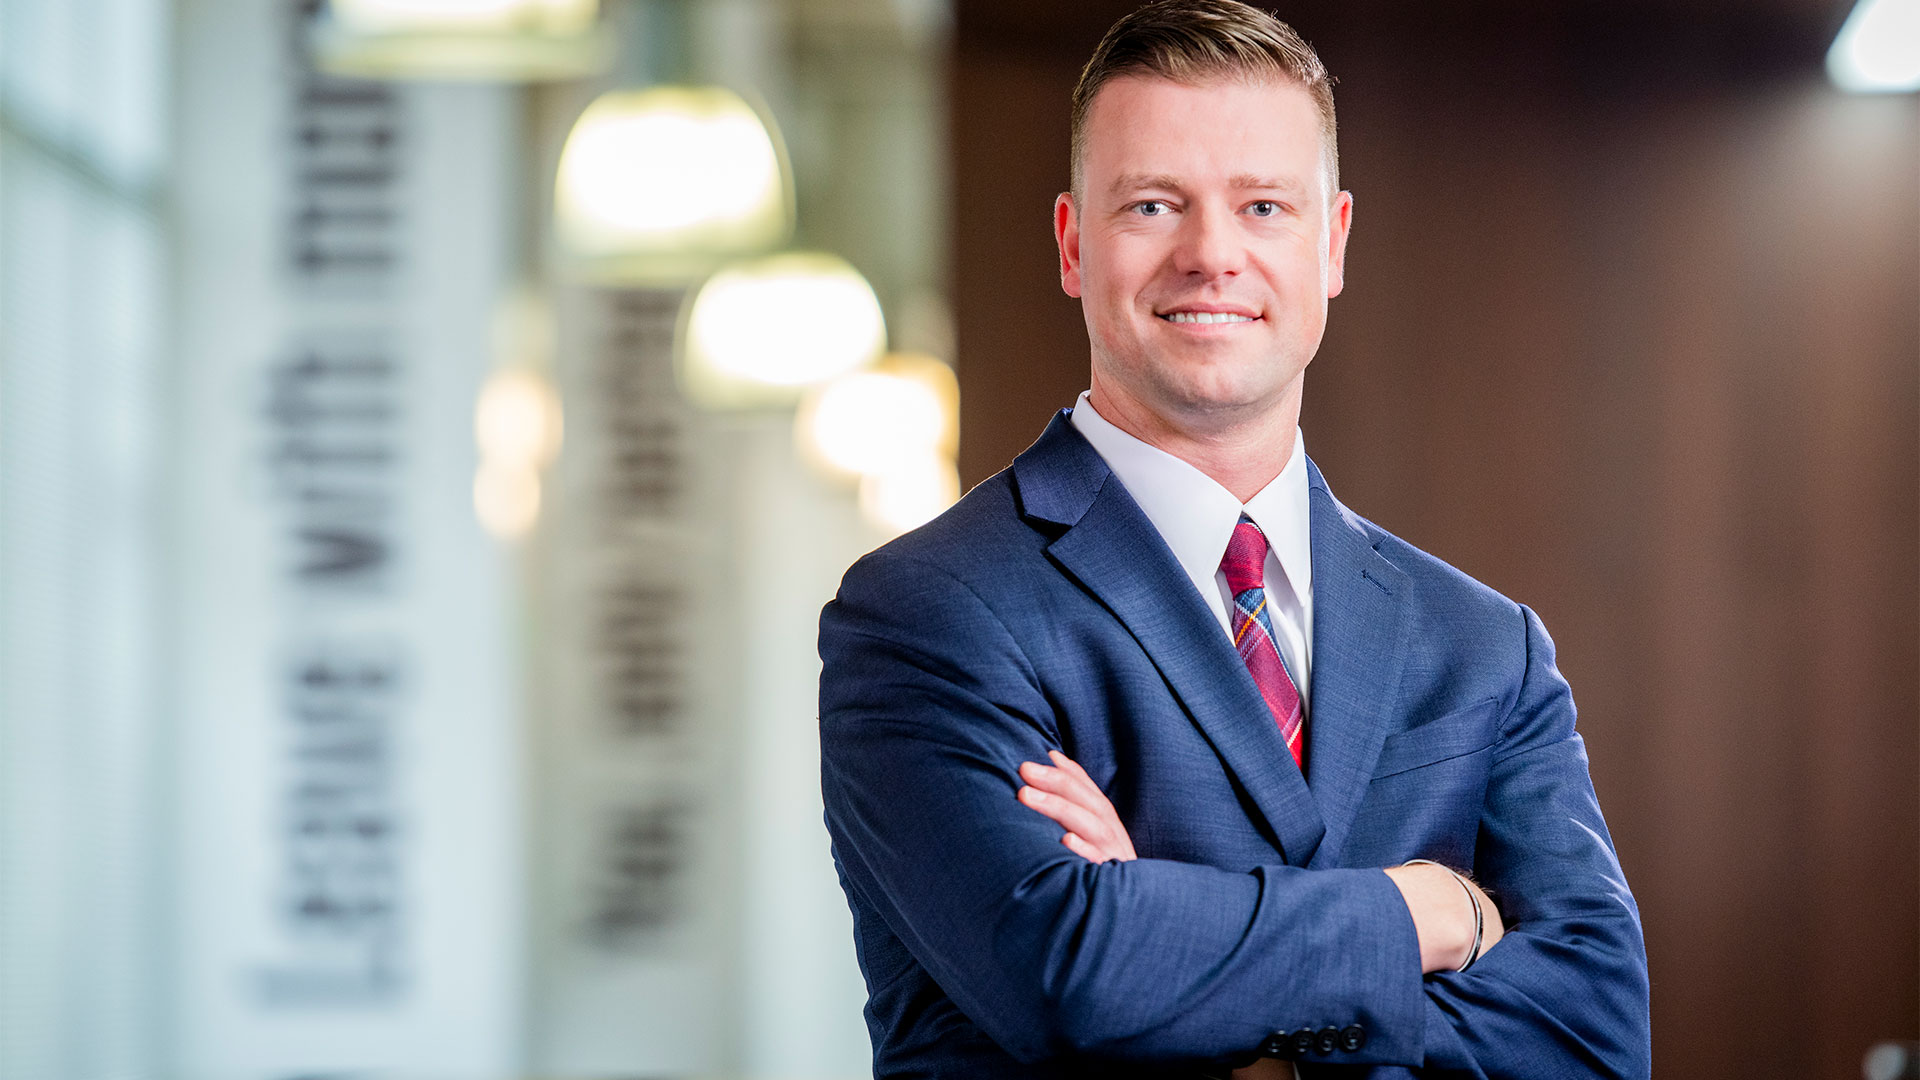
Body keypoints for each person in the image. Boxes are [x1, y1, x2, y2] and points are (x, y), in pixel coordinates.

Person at [816, 2, 1650, 1076]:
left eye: (1262, 205)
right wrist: (1430, 914)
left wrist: (1187, 969)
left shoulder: (1486, 647)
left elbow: (1593, 1032)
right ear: (1074, 244)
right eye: (1154, 205)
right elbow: (1067, 974)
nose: (1212, 255)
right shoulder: (926, 614)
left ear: (1331, 243)